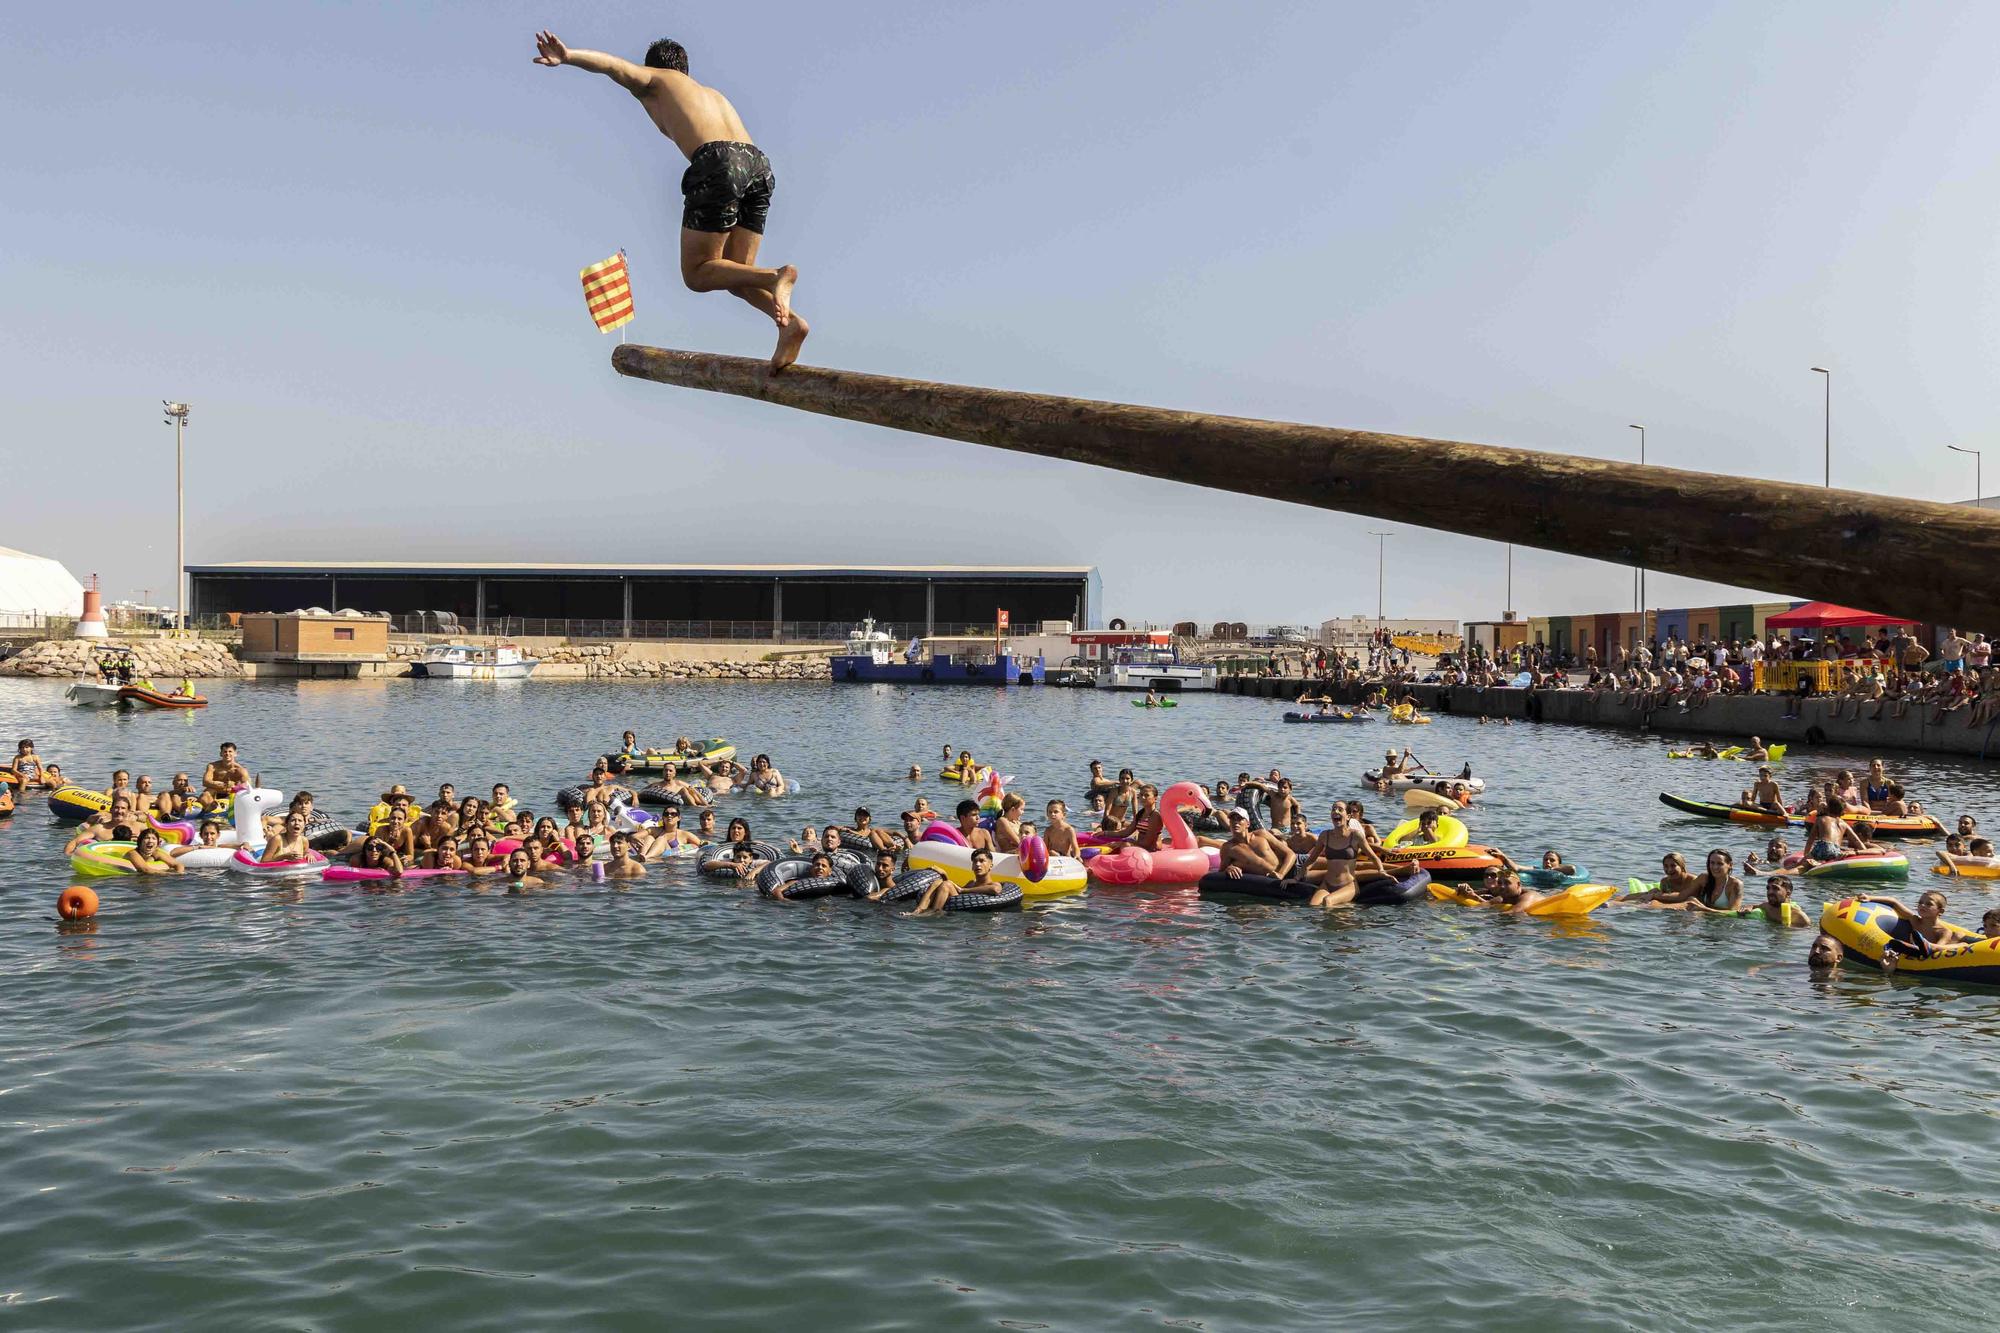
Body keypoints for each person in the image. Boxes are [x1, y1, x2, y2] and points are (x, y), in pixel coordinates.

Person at [533, 30, 807, 369]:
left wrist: (568, 56)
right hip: (758, 166)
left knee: (697, 274)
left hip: (720, 162)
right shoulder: (710, 94)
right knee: (735, 275)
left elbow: (614, 67)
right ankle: (791, 324)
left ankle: (775, 276)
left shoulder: (657, 79)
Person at [1862, 889, 1957, 959]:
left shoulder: (1944, 932)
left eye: (1929, 904)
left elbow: (1941, 950)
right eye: (1920, 902)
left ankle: (1927, 946)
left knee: (1963, 943)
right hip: (1917, 951)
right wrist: (1870, 898)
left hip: (1934, 951)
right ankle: (1915, 949)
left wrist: (1931, 947)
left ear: (1940, 911)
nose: (1922, 905)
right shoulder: (1915, 920)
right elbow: (1894, 901)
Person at [911, 846, 1006, 914]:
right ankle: (918, 910)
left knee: (946, 884)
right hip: (959, 910)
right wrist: (944, 875)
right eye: (975, 861)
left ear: (991, 865)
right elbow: (955, 890)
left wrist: (964, 890)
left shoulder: (993, 884)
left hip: (976, 916)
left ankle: (934, 912)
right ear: (972, 866)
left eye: (982, 861)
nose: (977, 864)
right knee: (938, 882)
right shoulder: (971, 883)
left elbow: (995, 890)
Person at [1739, 875, 1810, 927]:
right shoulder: (1767, 907)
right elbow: (1754, 905)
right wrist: (1748, 907)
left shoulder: (1799, 916)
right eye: (1768, 888)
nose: (1770, 892)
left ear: (1788, 893)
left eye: (1775, 888)